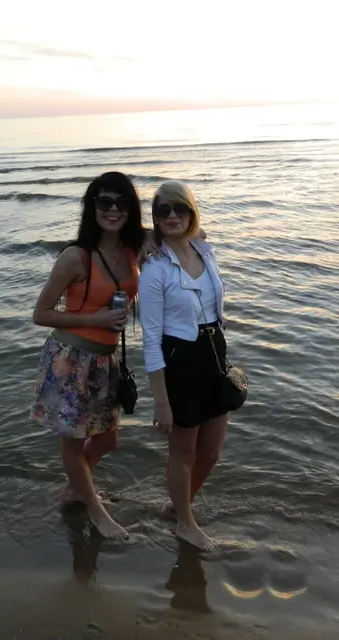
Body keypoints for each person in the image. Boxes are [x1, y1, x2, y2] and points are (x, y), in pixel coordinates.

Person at [31, 171, 146, 540]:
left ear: (131, 209)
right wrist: (96, 319)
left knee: (108, 439)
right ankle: (95, 510)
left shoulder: (131, 251)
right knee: (74, 440)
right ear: (91, 207)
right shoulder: (75, 256)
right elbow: (41, 314)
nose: (113, 209)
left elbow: (183, 233)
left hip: (106, 360)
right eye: (104, 202)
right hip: (71, 358)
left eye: (121, 202)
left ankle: (74, 489)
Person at [138, 180, 228, 551]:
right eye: (163, 210)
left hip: (215, 353)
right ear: (155, 217)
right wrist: (161, 401)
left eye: (180, 208)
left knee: (211, 452)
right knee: (184, 452)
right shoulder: (154, 270)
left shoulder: (203, 250)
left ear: (192, 212)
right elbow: (151, 339)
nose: (172, 216)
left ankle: (178, 507)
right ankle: (185, 523)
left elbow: (195, 231)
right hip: (180, 360)